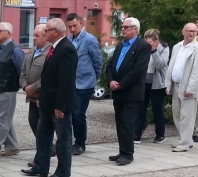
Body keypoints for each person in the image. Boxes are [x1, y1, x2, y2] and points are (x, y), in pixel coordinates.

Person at [21, 18, 77, 177]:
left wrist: (60, 106)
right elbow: (48, 77)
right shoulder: (53, 48)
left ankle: (63, 171)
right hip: (47, 102)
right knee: (43, 136)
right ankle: (40, 166)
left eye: (47, 30)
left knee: (63, 139)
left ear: (56, 32)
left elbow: (65, 81)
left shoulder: (67, 49)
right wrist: (43, 98)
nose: (44, 33)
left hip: (59, 105)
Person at [106, 17, 151, 165]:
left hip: (131, 91)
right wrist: (111, 80)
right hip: (118, 91)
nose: (123, 30)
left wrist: (121, 84)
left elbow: (138, 70)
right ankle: (122, 151)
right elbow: (110, 65)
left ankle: (128, 154)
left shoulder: (143, 46)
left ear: (135, 30)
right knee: (120, 123)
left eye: (126, 27)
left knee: (127, 123)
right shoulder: (120, 45)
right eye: (122, 27)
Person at [166, 23, 198, 152]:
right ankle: (186, 140)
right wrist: (168, 84)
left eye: (194, 31)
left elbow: (197, 72)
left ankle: (184, 144)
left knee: (187, 117)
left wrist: (191, 88)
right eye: (189, 31)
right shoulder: (177, 46)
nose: (191, 33)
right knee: (177, 115)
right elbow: (172, 65)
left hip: (188, 88)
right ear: (183, 32)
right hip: (176, 86)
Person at [0, 22, 24, 160]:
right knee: (2, 119)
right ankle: (12, 146)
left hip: (7, 89)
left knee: (2, 120)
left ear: (9, 33)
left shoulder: (16, 50)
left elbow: (21, 70)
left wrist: (22, 86)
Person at [66, 13, 103, 155]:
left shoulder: (90, 40)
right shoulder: (68, 40)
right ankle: (69, 141)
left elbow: (98, 61)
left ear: (81, 24)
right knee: (70, 114)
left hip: (85, 83)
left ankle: (80, 143)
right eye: (70, 27)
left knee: (78, 114)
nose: (72, 29)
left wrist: (94, 77)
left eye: (74, 26)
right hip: (71, 83)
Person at [134, 29, 169, 144]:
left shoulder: (164, 48)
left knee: (157, 109)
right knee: (140, 109)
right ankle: (136, 134)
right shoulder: (142, 48)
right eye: (146, 39)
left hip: (157, 84)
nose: (148, 42)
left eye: (151, 40)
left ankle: (160, 134)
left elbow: (160, 65)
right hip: (144, 82)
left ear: (156, 40)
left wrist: (154, 50)